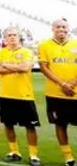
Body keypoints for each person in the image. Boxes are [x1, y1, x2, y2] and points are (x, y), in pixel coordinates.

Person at [0, 27, 40, 165]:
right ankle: (14, 152)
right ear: (5, 38)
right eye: (9, 35)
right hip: (5, 94)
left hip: (24, 95)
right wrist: (16, 68)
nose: (12, 37)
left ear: (19, 37)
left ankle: (33, 155)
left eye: (14, 35)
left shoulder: (26, 52)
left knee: (30, 126)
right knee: (8, 125)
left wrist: (6, 65)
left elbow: (26, 68)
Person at [38, 19, 77, 166]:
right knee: (60, 124)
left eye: (64, 27)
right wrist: (62, 84)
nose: (61, 29)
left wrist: (72, 83)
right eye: (58, 26)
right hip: (55, 93)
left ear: (68, 29)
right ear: (52, 28)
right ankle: (68, 157)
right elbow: (44, 67)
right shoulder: (44, 45)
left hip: (75, 92)